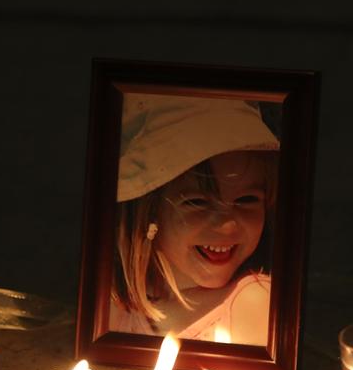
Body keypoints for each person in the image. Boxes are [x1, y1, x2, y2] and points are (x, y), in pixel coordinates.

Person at [109, 93, 280, 346]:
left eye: (247, 199)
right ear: (149, 211)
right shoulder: (115, 305)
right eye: (197, 202)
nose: (228, 225)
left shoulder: (254, 304)